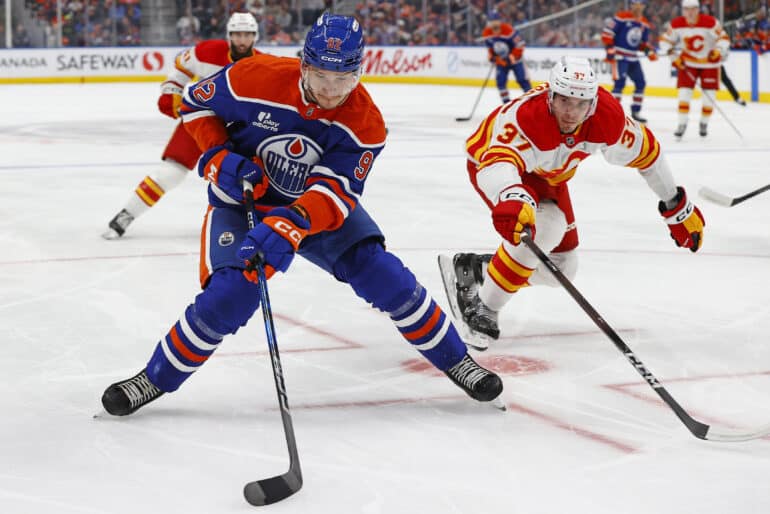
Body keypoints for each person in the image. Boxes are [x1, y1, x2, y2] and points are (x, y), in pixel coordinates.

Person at [100, 14, 503, 416]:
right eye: (321, 77)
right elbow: (194, 104)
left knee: (386, 276)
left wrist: (292, 222)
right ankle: (153, 379)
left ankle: (457, 360)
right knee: (230, 297)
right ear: (304, 64)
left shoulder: (365, 123)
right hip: (242, 204)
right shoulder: (252, 76)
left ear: (359, 72)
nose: (330, 91)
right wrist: (217, 154)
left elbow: (335, 192)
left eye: (342, 79)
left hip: (314, 211)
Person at [437, 56, 705, 347]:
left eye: (581, 104)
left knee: (562, 267)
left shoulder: (607, 118)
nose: (571, 113)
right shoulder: (528, 117)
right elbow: (497, 161)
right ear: (550, 95)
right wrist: (511, 194)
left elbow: (649, 154)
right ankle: (482, 305)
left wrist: (675, 206)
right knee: (548, 228)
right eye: (564, 101)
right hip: (495, 167)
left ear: (592, 103)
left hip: (550, 177)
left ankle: (477, 271)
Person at [102, 12, 260, 239]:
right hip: (198, 121)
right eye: (237, 34)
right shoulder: (207, 52)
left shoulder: (261, 63)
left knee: (244, 177)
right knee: (169, 174)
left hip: (233, 131)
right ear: (229, 35)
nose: (242, 39)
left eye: (247, 34)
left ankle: (245, 224)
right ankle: (126, 215)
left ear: (255, 36)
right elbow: (179, 71)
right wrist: (171, 91)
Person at [658, 0, 730, 138]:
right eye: (686, 9)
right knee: (684, 94)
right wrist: (674, 57)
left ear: (698, 9)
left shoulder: (710, 22)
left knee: (709, 98)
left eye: (693, 9)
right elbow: (664, 41)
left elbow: (724, 38)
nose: (690, 12)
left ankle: (704, 122)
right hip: (688, 63)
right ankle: (682, 123)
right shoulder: (676, 24)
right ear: (682, 10)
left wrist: (719, 50)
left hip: (709, 63)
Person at [601, 0, 658, 123]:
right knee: (619, 84)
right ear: (631, 5)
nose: (637, 7)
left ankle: (636, 112)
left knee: (641, 83)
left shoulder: (644, 23)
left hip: (633, 57)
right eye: (634, 4)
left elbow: (641, 43)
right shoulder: (622, 17)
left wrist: (649, 51)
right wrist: (610, 48)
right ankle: (613, 113)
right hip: (620, 56)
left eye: (640, 4)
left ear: (643, 6)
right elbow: (607, 33)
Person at [482, 11, 532, 103]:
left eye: (495, 20)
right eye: (491, 20)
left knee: (522, 80)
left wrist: (513, 55)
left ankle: (532, 101)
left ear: (499, 20)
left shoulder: (508, 30)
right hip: (502, 61)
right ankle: (506, 104)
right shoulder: (486, 33)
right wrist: (492, 56)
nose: (494, 23)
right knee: (500, 82)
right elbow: (490, 48)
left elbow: (520, 44)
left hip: (515, 60)